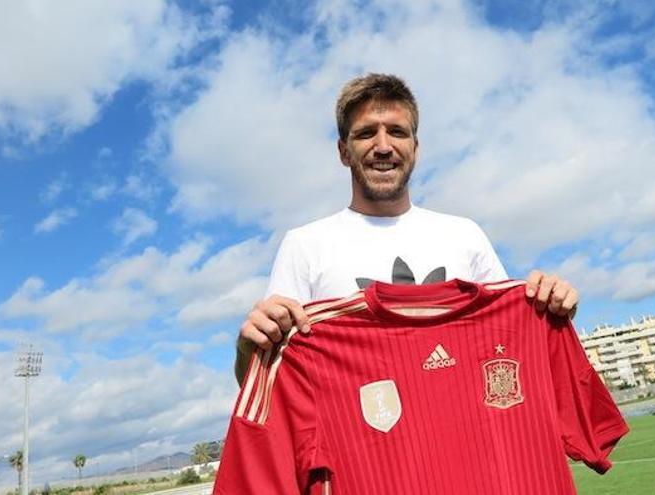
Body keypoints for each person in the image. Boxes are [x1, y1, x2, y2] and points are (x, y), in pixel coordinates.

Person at [236, 73, 580, 380]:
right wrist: (248, 347)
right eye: (366, 133)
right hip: (362, 447)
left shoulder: (464, 235)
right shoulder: (305, 245)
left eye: (397, 132)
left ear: (414, 149)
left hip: (468, 445)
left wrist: (551, 310)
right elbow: (267, 381)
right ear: (343, 152)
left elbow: (510, 343)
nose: (383, 146)